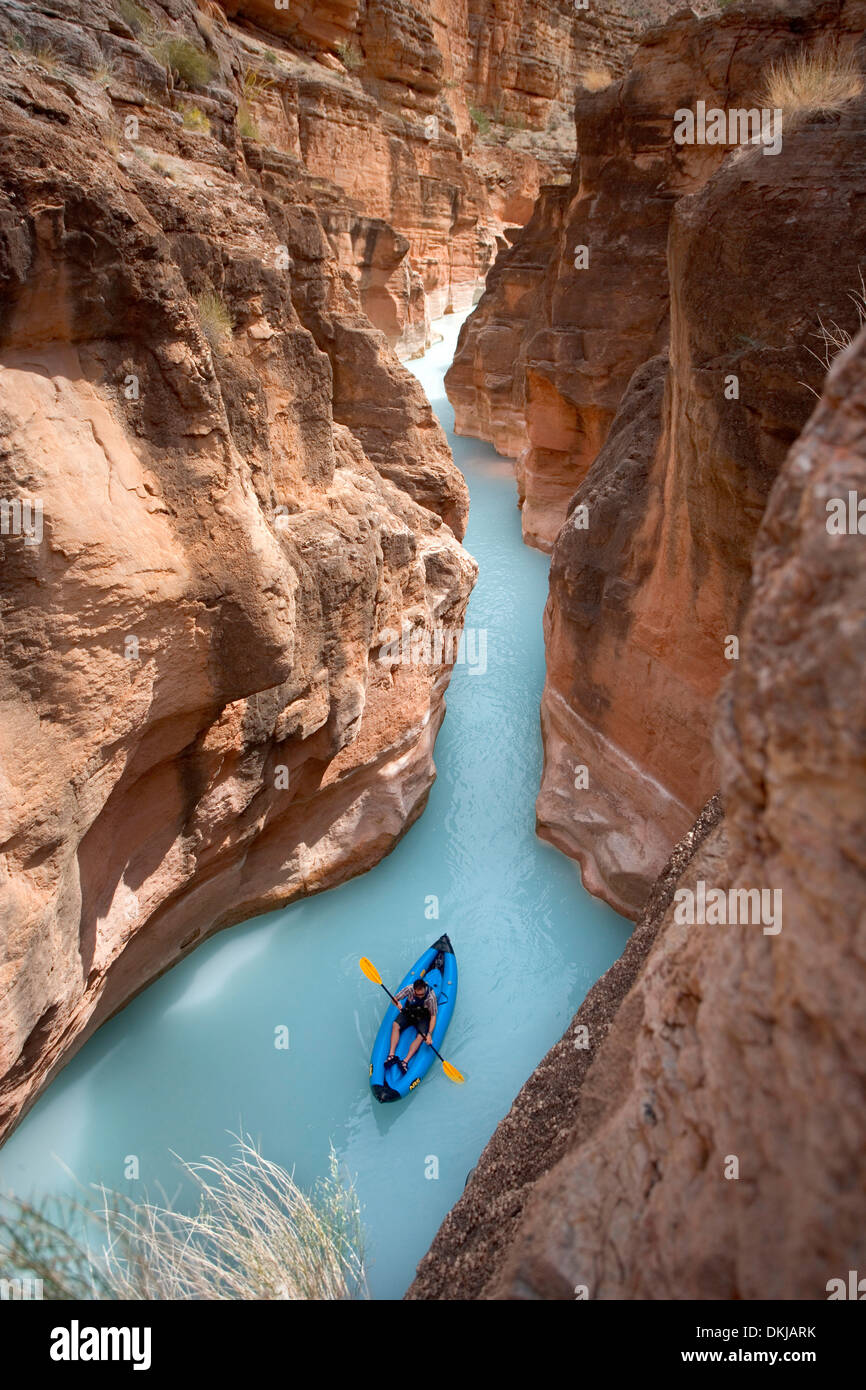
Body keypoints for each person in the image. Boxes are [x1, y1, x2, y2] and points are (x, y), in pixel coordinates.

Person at [385, 977, 438, 1074]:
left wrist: (429, 1034)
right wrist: (397, 1003)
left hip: (422, 1017)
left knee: (421, 1037)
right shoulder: (409, 989)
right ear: (414, 990)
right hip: (409, 1012)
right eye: (417, 994)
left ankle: (405, 1061)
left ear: (425, 988)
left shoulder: (431, 997)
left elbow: (433, 1016)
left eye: (422, 994)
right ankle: (391, 1055)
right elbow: (394, 999)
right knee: (395, 1025)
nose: (420, 996)